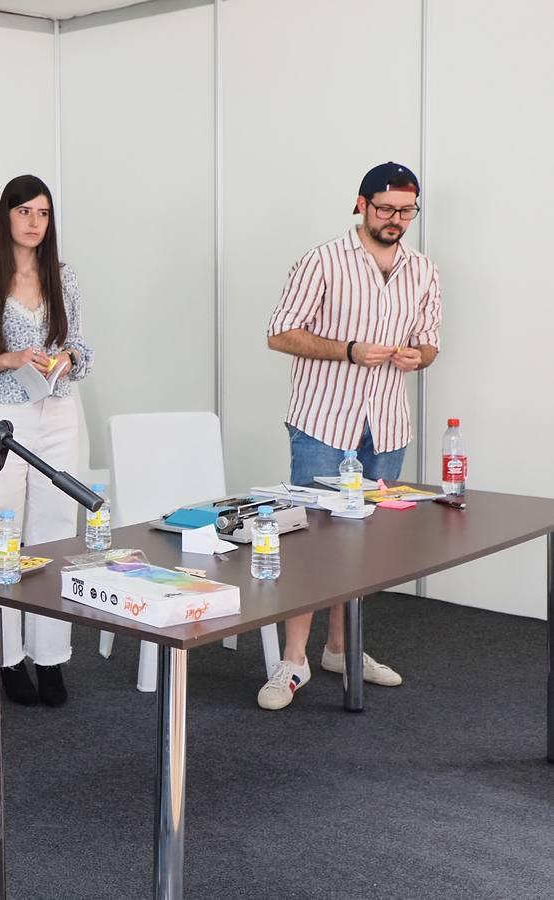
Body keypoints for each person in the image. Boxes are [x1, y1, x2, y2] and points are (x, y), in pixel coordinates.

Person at [259, 161, 442, 711]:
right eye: (385, 208)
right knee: (310, 541)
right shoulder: (320, 262)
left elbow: (430, 342)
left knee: (364, 547)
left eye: (406, 211)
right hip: (323, 420)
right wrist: (348, 350)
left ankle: (342, 647)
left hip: (386, 424)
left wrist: (419, 357)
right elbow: (279, 334)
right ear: (360, 204)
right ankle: (293, 661)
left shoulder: (423, 270)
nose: (395, 220)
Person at [0, 174, 94, 708]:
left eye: (43, 214)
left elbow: (82, 346)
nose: (34, 223)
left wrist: (68, 359)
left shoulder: (66, 279)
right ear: (5, 216)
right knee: (3, 536)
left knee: (56, 532)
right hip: (2, 417)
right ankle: (6, 657)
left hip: (59, 412)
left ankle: (50, 655)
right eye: (25, 212)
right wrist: (11, 358)